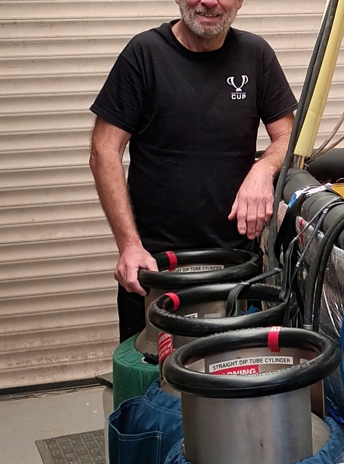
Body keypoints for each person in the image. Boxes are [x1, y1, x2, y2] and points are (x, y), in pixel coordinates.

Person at [88, 0, 297, 342]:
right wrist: (129, 246)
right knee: (152, 381)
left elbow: (287, 137)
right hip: (155, 270)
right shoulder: (144, 54)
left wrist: (263, 169)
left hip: (235, 270)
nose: (210, 2)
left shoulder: (256, 55)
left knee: (227, 384)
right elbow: (104, 150)